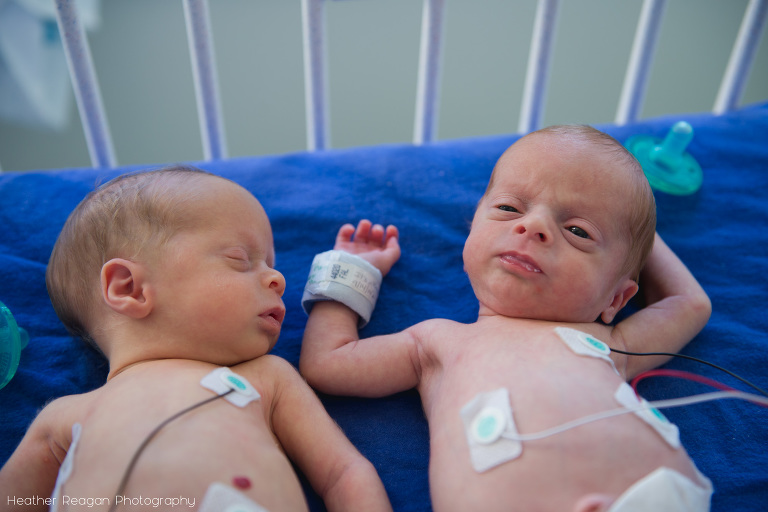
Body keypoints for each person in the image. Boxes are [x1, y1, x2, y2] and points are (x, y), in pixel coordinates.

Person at [299, 125, 713, 511]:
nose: (533, 225)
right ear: (472, 229)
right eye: (509, 207)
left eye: (578, 231)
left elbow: (689, 304)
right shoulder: (435, 343)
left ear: (616, 298)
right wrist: (349, 271)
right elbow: (328, 362)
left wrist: (637, 226)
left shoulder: (611, 344)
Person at [0, 166, 392, 512]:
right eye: (240, 259)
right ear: (129, 288)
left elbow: (343, 474)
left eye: (270, 264)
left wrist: (352, 273)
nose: (278, 278)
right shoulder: (64, 416)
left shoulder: (268, 378)